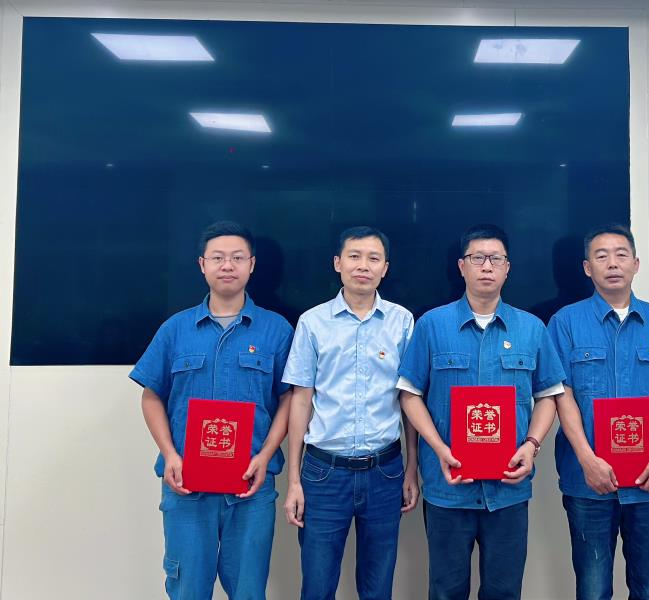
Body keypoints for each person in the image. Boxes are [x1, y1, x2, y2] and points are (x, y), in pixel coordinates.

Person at [397, 223, 565, 600]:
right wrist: (439, 448)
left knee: (504, 591)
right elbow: (410, 395)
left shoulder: (531, 328)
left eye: (496, 259)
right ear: (461, 266)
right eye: (477, 258)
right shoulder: (432, 325)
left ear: (508, 268)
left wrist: (532, 445)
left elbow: (548, 396)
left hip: (508, 489)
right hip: (447, 488)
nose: (487, 266)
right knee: (446, 590)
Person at [129, 220, 293, 600]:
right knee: (188, 589)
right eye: (217, 258)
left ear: (252, 264)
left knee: (249, 592)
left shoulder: (276, 330)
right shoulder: (176, 329)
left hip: (251, 487)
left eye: (237, 257)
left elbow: (289, 399)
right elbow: (151, 396)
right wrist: (170, 454)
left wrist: (265, 455)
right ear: (202, 265)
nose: (227, 265)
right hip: (187, 486)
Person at [547, 223, 649, 600]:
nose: (612, 264)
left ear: (636, 264)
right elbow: (561, 396)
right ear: (587, 268)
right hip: (588, 480)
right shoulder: (565, 323)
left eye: (621, 255)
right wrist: (587, 459)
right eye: (601, 256)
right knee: (592, 590)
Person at [282, 226, 419, 600]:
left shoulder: (402, 321)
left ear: (385, 268)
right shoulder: (313, 322)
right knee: (317, 586)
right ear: (337, 263)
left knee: (378, 588)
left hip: (385, 471)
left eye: (373, 258)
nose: (363, 266)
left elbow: (409, 400)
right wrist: (294, 480)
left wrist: (412, 468)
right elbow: (300, 400)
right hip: (324, 473)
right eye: (354, 256)